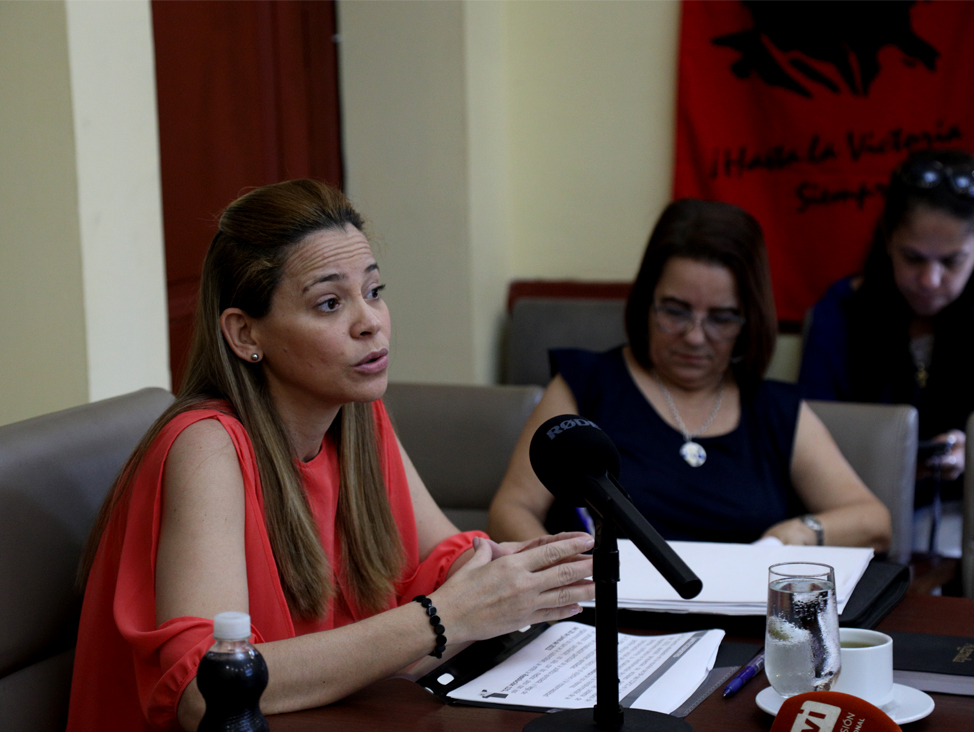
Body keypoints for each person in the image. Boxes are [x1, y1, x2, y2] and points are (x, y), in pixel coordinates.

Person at [67, 180, 595, 732]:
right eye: (329, 303)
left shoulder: (358, 415)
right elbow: (209, 689)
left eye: (374, 291)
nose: (371, 322)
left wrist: (512, 572)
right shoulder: (207, 446)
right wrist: (446, 617)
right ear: (245, 333)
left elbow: (444, 556)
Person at [488, 199, 891, 550]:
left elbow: (874, 521)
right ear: (647, 302)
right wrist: (566, 569)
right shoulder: (586, 386)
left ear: (749, 320)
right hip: (605, 605)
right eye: (675, 311)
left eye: (721, 318)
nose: (695, 337)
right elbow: (512, 508)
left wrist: (799, 533)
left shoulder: (774, 411)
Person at [798, 149, 974, 553]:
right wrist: (891, 462)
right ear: (888, 239)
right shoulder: (840, 312)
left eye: (951, 261)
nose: (930, 280)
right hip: (872, 513)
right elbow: (812, 437)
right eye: (913, 258)